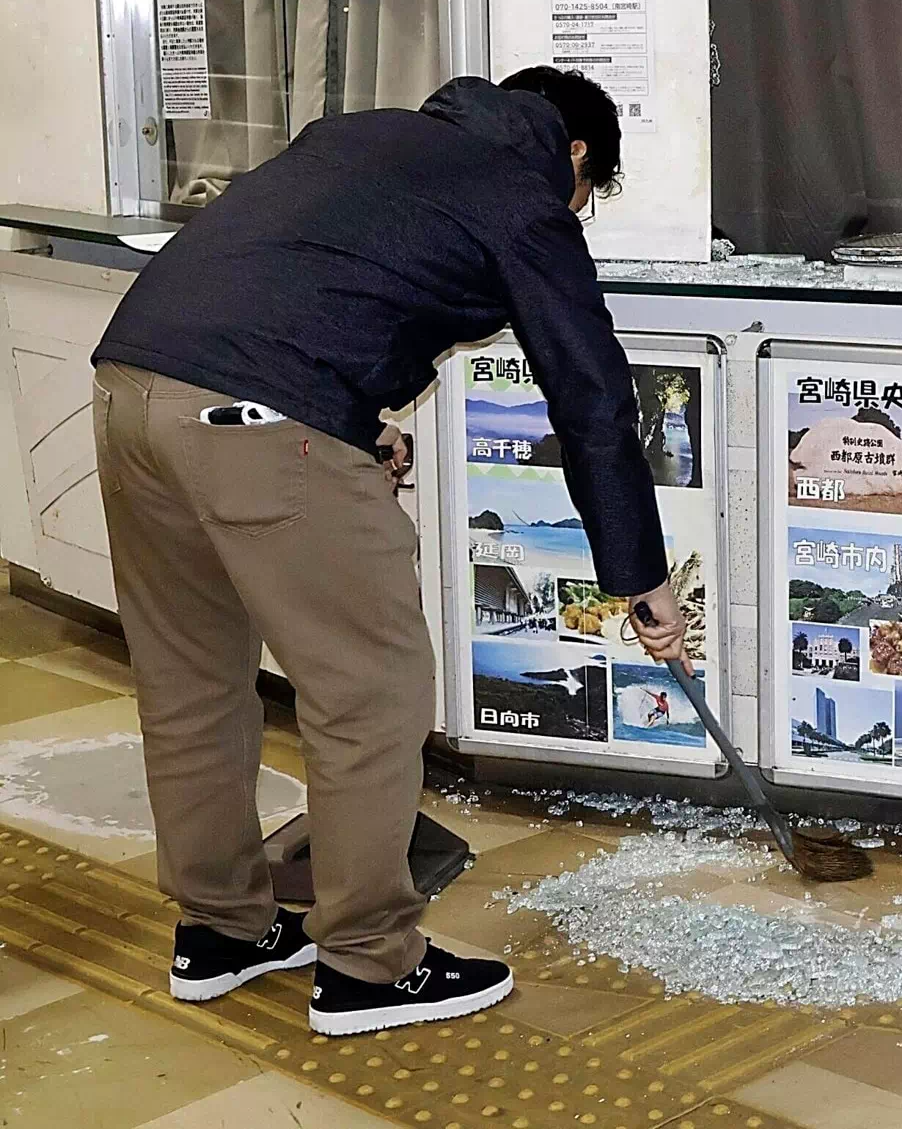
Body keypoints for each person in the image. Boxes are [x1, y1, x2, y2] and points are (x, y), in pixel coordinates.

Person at [90, 67, 688, 1037]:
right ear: (574, 155)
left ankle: (224, 930)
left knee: (191, 683)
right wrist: (638, 575)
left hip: (130, 392)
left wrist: (347, 423)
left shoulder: (356, 136)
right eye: (588, 193)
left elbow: (300, 285)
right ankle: (370, 962)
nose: (576, 209)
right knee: (372, 689)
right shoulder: (520, 194)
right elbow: (589, 398)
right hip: (254, 419)